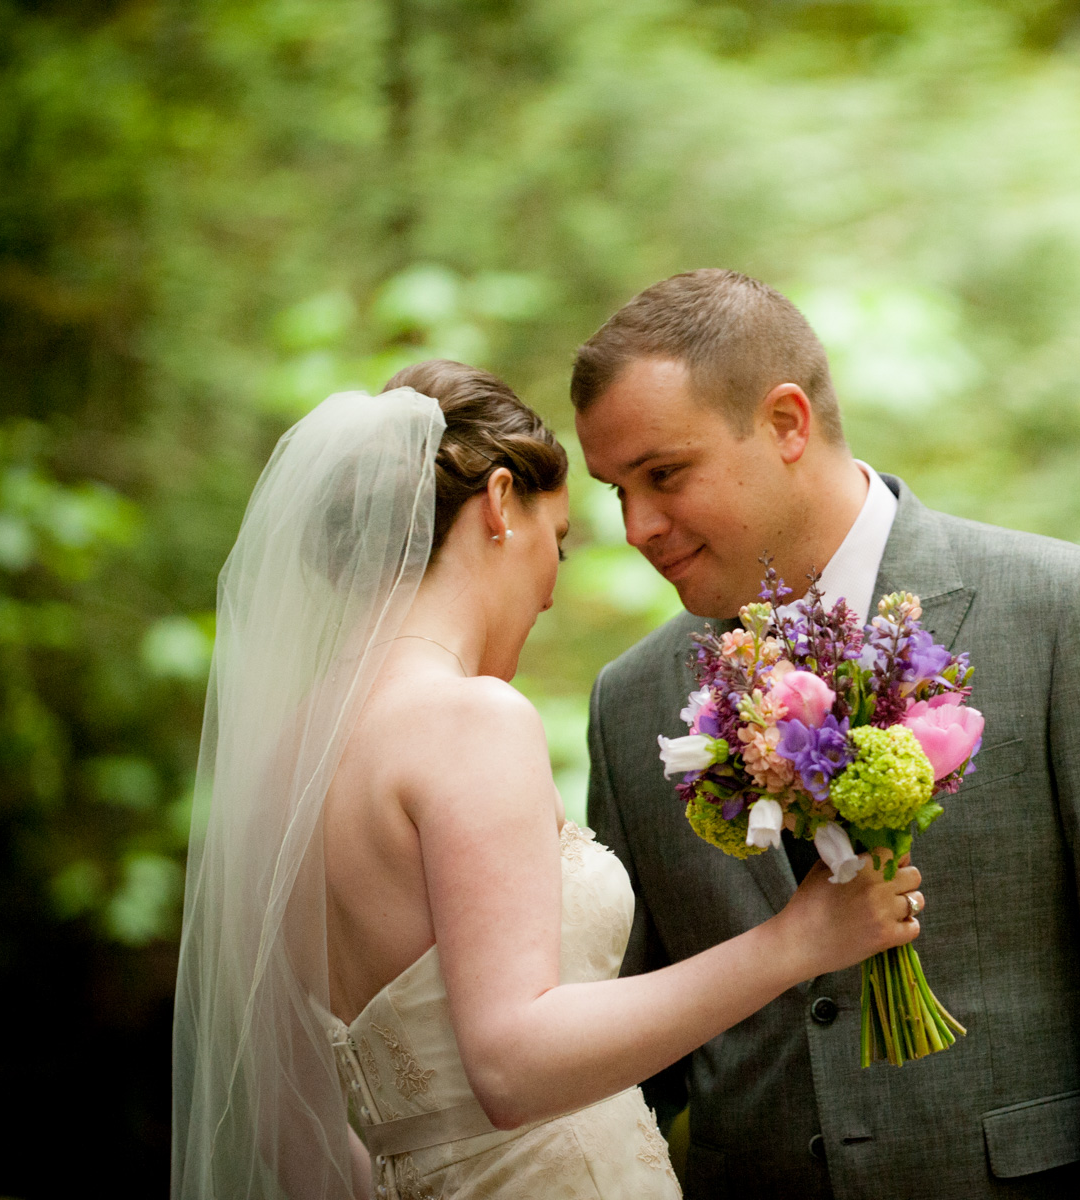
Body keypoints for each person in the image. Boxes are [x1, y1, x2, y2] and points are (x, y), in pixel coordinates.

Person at [170, 359, 926, 1200]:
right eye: (556, 540)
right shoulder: (472, 720)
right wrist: (797, 942)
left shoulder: (284, 761)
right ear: (500, 503)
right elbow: (513, 1061)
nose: (553, 591)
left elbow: (284, 1116)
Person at [574, 270, 1080, 1200]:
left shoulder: (1069, 612)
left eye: (663, 475)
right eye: (615, 490)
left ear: (787, 423)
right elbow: (637, 1047)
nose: (638, 526)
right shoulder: (632, 699)